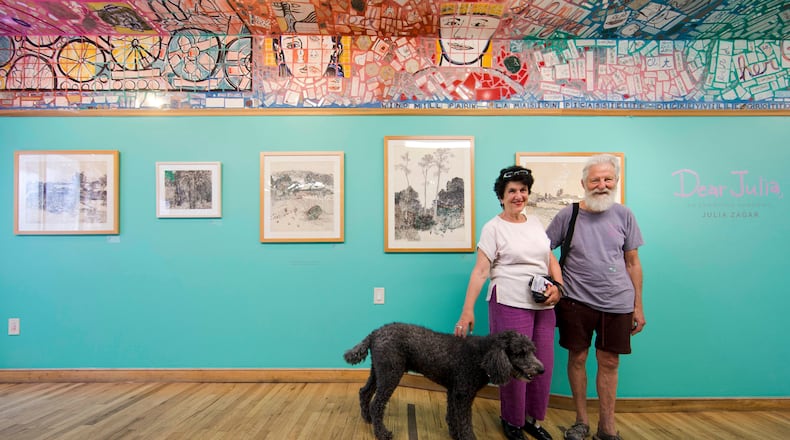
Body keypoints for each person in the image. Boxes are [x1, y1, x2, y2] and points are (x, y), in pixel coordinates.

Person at [455, 165, 563, 440]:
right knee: (513, 364)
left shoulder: (536, 223)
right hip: (509, 301)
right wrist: (467, 310)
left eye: (523, 190)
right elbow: (481, 270)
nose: (518, 195)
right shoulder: (493, 227)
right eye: (512, 191)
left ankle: (532, 419)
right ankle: (512, 420)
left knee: (543, 364)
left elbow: (550, 259)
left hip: (543, 304)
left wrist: (559, 289)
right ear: (501, 196)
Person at [545, 154, 645, 440]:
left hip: (617, 301)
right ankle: (580, 422)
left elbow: (633, 262)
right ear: (584, 183)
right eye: (595, 180)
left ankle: (607, 427)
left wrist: (638, 305)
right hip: (575, 301)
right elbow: (543, 249)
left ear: (615, 182)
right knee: (577, 357)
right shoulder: (569, 214)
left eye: (607, 179)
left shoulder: (625, 215)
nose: (602, 185)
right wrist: (557, 284)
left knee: (610, 361)